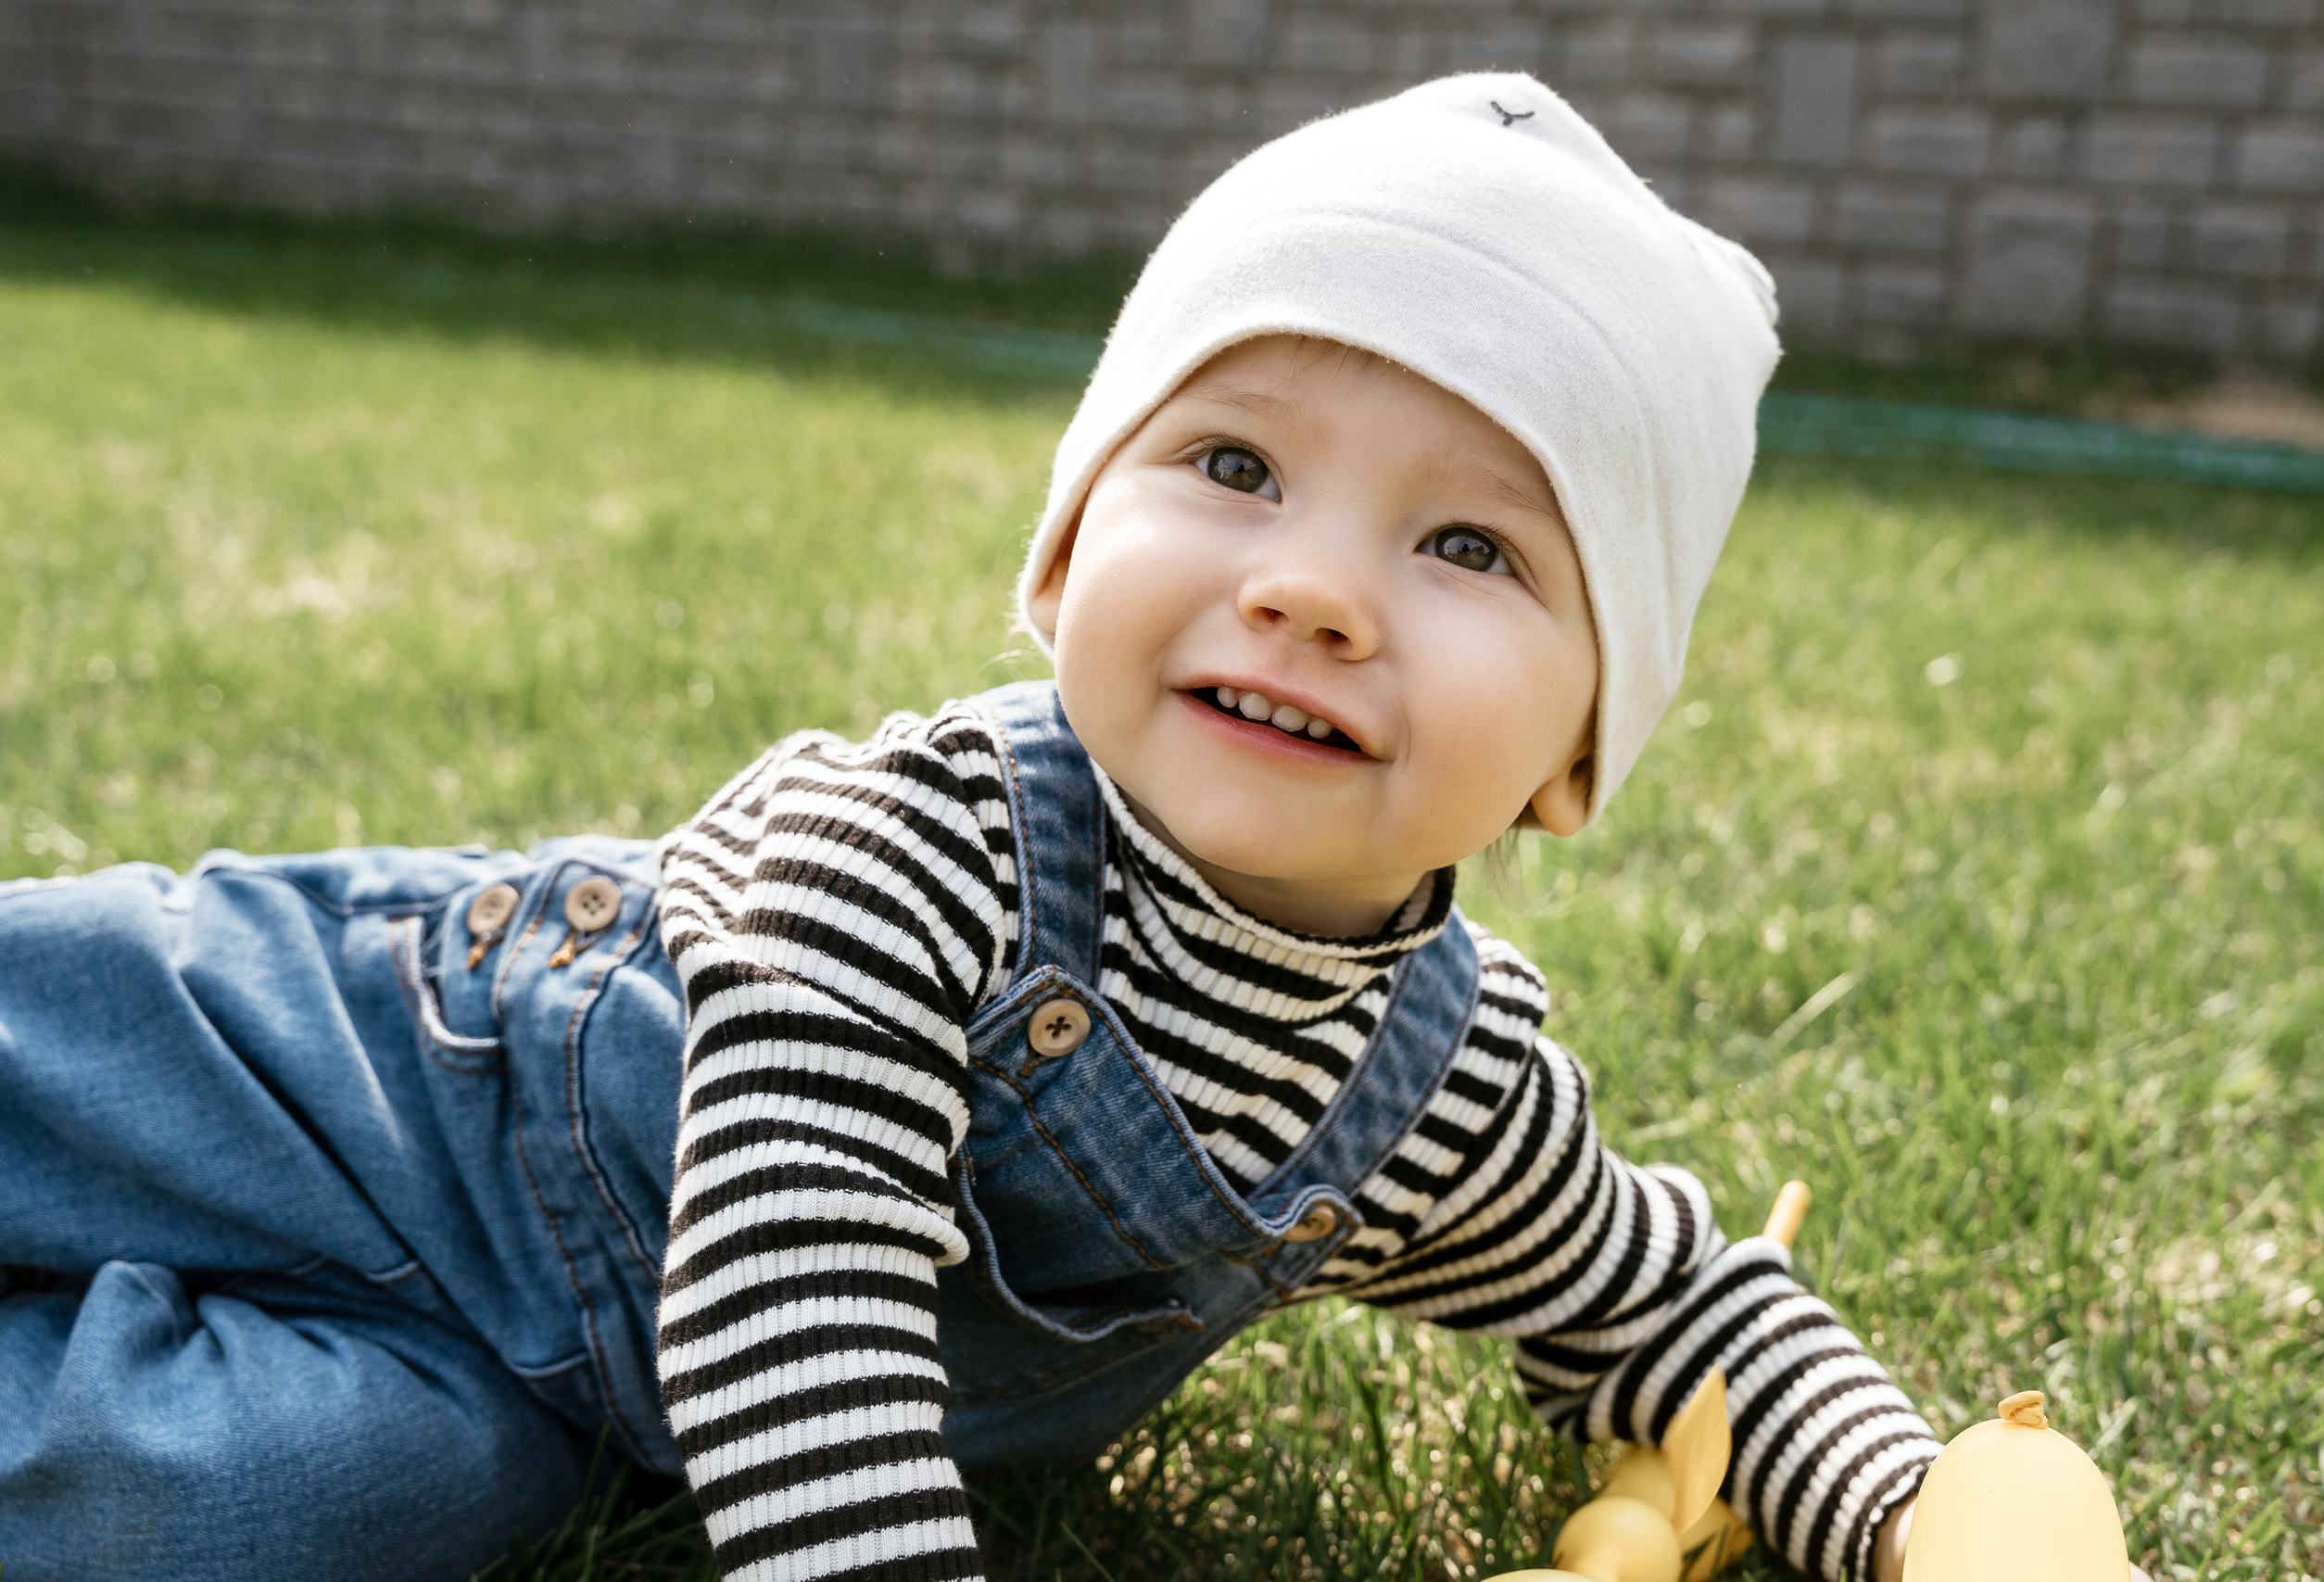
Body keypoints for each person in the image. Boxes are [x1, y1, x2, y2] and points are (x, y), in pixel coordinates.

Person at [1, 73, 1944, 1582]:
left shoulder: (1442, 1092)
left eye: (1467, 544)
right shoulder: (918, 852)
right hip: (367, 1069)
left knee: (248, 1511)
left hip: (537, 1379)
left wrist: (1919, 1511)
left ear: (1575, 754)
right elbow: (796, 1271)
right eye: (1233, 463)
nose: (1311, 586)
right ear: (1066, 544)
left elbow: (1665, 1305)